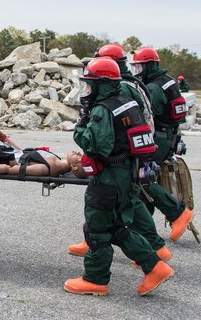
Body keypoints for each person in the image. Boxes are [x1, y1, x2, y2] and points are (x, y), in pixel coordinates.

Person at [64, 57, 173, 296]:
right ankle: (155, 266)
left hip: (110, 179)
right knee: (116, 228)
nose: (87, 90)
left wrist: (81, 126)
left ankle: (94, 279)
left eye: (90, 84)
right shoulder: (127, 102)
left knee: (96, 229)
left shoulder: (104, 109)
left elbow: (94, 146)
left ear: (102, 83)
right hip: (127, 176)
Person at [129, 47, 194, 238]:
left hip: (157, 138)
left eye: (139, 67)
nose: (137, 72)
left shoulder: (154, 87)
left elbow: (147, 116)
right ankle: (144, 230)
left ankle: (177, 213)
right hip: (169, 136)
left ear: (150, 66)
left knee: (142, 178)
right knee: (146, 180)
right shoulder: (168, 81)